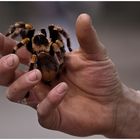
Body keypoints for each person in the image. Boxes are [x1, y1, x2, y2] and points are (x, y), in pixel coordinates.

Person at [0, 13, 140, 138]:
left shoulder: (52, 45)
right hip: (48, 67)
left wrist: (63, 56)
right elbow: (27, 38)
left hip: (49, 68)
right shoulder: (36, 44)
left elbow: (59, 46)